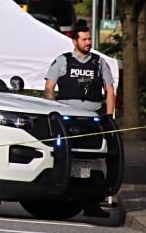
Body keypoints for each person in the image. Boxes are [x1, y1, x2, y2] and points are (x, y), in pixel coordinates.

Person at [44, 21, 114, 217]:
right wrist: (53, 111)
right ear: (74, 41)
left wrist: (109, 118)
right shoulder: (62, 61)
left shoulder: (99, 62)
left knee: (96, 162)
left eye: (89, 39)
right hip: (68, 120)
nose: (88, 42)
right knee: (64, 159)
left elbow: (109, 91)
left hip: (93, 119)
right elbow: (49, 89)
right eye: (84, 39)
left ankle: (93, 204)